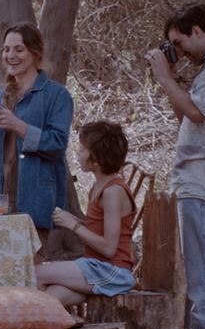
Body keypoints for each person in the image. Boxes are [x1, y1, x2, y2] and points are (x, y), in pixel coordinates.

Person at [0, 23, 73, 329]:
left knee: (33, 270)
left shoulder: (56, 95)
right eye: (6, 50)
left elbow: (58, 143)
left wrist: (17, 125)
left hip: (36, 193)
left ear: (35, 53)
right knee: (2, 274)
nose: (10, 56)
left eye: (18, 50)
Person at [146, 1, 205, 329]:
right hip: (201, 180)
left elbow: (195, 113)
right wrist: (173, 81)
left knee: (203, 271)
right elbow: (186, 114)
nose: (179, 50)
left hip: (203, 182)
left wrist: (164, 78)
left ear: (198, 32)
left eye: (179, 41)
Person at [37, 122, 135, 306]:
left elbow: (108, 248)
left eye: (82, 151)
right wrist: (78, 221)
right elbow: (101, 229)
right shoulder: (99, 186)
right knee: (48, 300)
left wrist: (73, 226)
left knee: (35, 274)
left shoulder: (112, 191)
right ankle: (70, 323)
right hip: (94, 266)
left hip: (111, 271)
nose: (78, 155)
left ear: (96, 160)